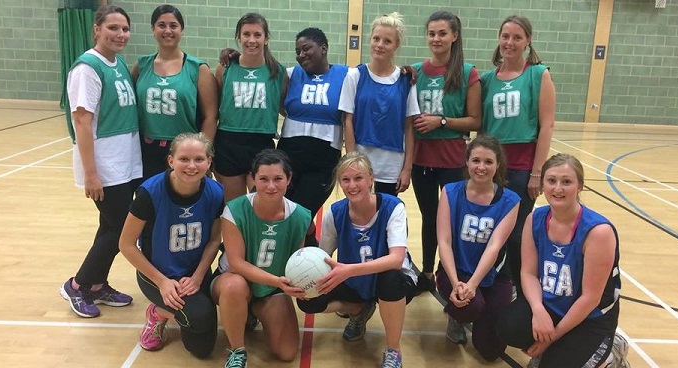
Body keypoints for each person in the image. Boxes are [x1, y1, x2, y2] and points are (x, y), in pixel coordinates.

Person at [496, 153, 628, 368]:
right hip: (551, 305)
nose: (558, 188)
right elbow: (528, 273)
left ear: (580, 186)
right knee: (509, 327)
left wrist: (549, 340)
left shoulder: (598, 232)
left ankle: (612, 353)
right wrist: (538, 311)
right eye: (551, 181)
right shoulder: (535, 219)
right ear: (542, 184)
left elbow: (590, 298)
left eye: (566, 182)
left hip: (590, 317)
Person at [297, 151, 418, 368]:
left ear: (371, 179)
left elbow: (396, 260)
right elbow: (323, 258)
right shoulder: (335, 212)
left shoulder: (393, 207)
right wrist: (302, 272)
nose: (352, 185)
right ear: (340, 183)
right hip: (354, 280)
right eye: (346, 179)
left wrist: (349, 270)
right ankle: (359, 310)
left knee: (390, 279)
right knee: (308, 298)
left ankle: (393, 350)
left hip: (390, 279)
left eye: (358, 178)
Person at [59, 5, 142, 318]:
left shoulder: (117, 63)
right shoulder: (87, 68)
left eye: (124, 29)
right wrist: (91, 174)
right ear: (96, 29)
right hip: (105, 167)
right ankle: (78, 285)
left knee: (109, 227)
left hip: (126, 163)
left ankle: (96, 285)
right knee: (123, 231)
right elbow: (81, 122)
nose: (120, 34)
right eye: (113, 28)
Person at [118, 133, 222, 357]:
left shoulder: (215, 192)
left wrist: (198, 276)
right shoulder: (150, 192)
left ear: (209, 162)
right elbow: (126, 245)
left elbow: (215, 239)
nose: (192, 166)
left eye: (199, 159)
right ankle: (158, 313)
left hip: (193, 274)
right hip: (158, 275)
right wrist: (162, 282)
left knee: (202, 349)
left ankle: (177, 311)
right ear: (171, 161)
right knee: (200, 317)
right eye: (184, 159)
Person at [212, 149, 311, 368]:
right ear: (253, 179)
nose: (271, 186)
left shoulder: (301, 216)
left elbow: (297, 261)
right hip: (234, 280)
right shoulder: (234, 209)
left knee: (286, 353)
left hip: (271, 289)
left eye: (278, 179)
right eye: (263, 179)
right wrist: (277, 282)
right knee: (235, 286)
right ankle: (238, 350)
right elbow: (236, 263)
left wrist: (302, 284)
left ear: (289, 179)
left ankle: (251, 311)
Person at [481, 15, 556, 296]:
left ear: (527, 41)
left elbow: (546, 125)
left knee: (516, 234)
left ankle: (515, 286)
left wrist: (538, 171)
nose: (509, 42)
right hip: (491, 165)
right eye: (505, 36)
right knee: (489, 230)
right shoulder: (487, 79)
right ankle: (489, 283)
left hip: (523, 165)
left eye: (517, 37)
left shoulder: (538, 75)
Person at [411, 11, 482, 293]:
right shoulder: (415, 72)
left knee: (452, 222)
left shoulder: (467, 72)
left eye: (442, 33)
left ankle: (450, 276)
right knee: (429, 218)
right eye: (432, 33)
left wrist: (440, 121)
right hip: (421, 159)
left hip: (452, 158)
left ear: (454, 36)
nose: (436, 38)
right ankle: (427, 273)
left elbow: (475, 121)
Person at [436, 135, 519, 359]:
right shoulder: (450, 192)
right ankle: (458, 315)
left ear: (498, 165)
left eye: (488, 162)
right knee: (471, 307)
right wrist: (456, 283)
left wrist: (472, 285)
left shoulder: (511, 200)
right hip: (457, 269)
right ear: (467, 161)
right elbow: (443, 240)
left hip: (493, 273)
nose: (481, 167)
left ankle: (490, 305)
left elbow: (495, 245)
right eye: (476, 160)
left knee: (491, 351)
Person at [278, 27, 349, 246]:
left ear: (324, 48)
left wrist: (405, 71)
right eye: (298, 51)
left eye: (306, 48)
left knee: (300, 215)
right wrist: (230, 55)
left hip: (324, 159)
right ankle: (306, 252)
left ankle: (303, 262)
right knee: (283, 212)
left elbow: (380, 72)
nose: (301, 55)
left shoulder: (347, 74)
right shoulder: (289, 75)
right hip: (289, 154)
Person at [339, 12, 420, 197]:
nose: (380, 45)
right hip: (361, 162)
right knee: (359, 218)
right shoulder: (355, 76)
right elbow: (348, 121)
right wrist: (351, 162)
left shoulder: (405, 80)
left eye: (387, 41)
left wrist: (407, 169)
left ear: (396, 45)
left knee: (385, 218)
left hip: (391, 168)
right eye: (376, 39)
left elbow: (409, 128)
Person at [132, 5, 218, 179]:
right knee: (151, 202)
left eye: (173, 25)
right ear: (153, 29)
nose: (168, 30)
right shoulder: (141, 66)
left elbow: (211, 116)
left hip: (186, 152)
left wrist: (202, 153)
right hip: (146, 151)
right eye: (161, 25)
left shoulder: (198, 68)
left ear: (182, 30)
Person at [214, 13, 286, 202]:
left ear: (266, 38)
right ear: (238, 37)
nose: (251, 40)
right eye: (246, 34)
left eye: (257, 35)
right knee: (234, 209)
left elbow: (284, 108)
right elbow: (215, 107)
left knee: (261, 207)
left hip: (261, 144)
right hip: (228, 143)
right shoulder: (225, 67)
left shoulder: (278, 72)